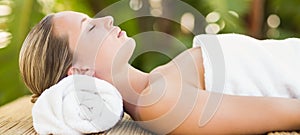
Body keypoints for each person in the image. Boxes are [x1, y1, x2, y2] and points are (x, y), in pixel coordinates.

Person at [19, 11, 300, 134]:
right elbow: (288, 112)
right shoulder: (157, 104)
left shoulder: (156, 86)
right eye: (90, 27)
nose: (107, 19)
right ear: (80, 70)